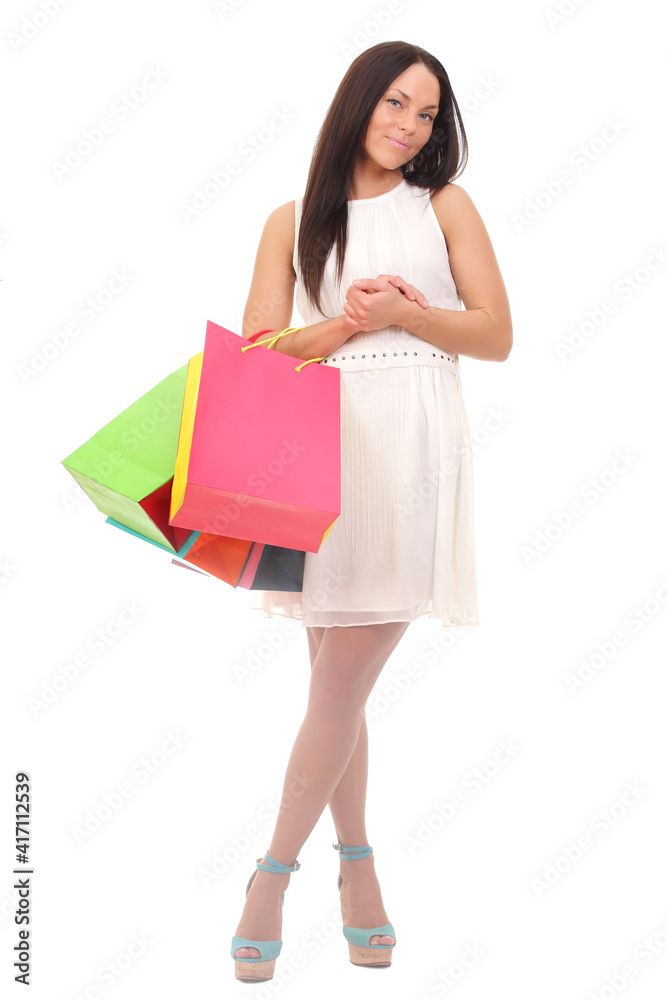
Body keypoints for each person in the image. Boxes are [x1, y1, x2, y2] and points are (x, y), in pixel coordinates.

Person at [231, 40, 512, 982]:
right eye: (395, 103)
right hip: (315, 453)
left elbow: (495, 334)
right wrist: (349, 322)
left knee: (338, 685)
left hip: (413, 453)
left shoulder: (443, 207)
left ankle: (270, 875)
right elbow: (260, 353)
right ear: (358, 104)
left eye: (427, 114)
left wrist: (404, 314)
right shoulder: (290, 220)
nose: (408, 125)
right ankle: (358, 868)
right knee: (332, 686)